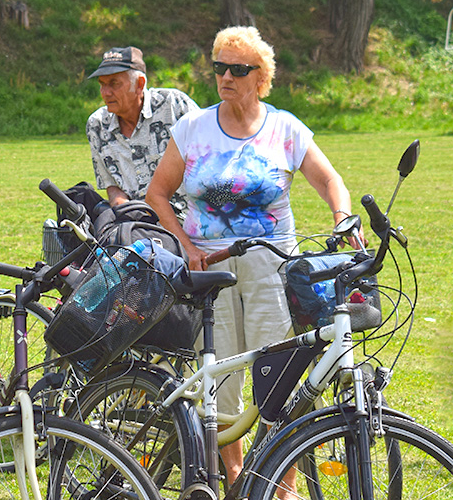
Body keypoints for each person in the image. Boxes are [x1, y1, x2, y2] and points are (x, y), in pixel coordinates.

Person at [145, 26, 364, 493]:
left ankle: (280, 484)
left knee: (279, 383)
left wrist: (342, 216)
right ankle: (237, 479)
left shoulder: (285, 128)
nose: (225, 76)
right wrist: (185, 244)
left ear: (261, 77)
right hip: (212, 270)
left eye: (237, 69)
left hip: (272, 266)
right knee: (222, 378)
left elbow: (330, 180)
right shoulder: (192, 129)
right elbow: (158, 194)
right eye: (219, 67)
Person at [86, 46, 199, 219]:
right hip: (139, 226)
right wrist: (126, 211)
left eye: (114, 84)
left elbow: (210, 160)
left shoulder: (174, 106)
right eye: (102, 84)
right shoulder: (97, 125)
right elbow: (112, 186)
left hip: (192, 220)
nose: (105, 92)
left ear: (140, 84)